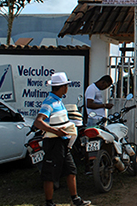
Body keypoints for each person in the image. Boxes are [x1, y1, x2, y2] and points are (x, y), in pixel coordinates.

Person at [34, 72, 90, 206]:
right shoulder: (49, 102)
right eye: (66, 86)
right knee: (50, 174)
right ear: (63, 87)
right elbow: (38, 122)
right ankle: (49, 202)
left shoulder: (59, 102)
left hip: (63, 142)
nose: (67, 88)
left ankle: (75, 199)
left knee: (71, 170)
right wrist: (55, 131)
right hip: (54, 143)